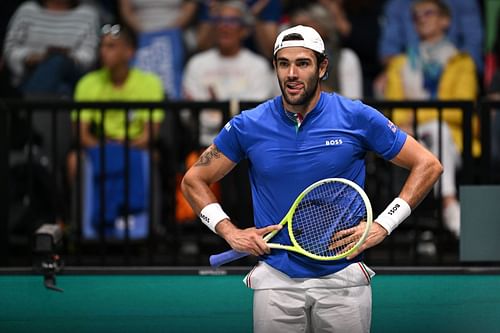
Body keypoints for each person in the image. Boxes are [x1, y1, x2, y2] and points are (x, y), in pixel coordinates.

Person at [181, 24, 442, 332]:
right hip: (275, 281)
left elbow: (428, 165)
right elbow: (193, 180)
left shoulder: (356, 117)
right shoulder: (248, 125)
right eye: (283, 63)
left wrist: (383, 226)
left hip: (344, 279)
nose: (292, 73)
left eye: (303, 63)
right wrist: (229, 231)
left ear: (322, 68)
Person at [384, 0, 478, 238]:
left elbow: (460, 108)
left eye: (429, 13)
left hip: (455, 142)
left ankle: (442, 212)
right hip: (412, 140)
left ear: (445, 20)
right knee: (434, 131)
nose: (422, 19)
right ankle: (449, 205)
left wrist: (414, 118)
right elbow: (393, 110)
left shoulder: (462, 62)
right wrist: (410, 122)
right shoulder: (399, 64)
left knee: (438, 129)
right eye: (416, 16)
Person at [66, 23, 164, 234]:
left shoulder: (150, 83)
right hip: (98, 146)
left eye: (111, 46)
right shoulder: (87, 83)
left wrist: (123, 146)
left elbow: (150, 135)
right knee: (74, 160)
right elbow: (82, 135)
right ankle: (79, 228)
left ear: (129, 52)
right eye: (102, 46)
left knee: (153, 157)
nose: (103, 52)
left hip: (136, 147)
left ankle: (147, 229)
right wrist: (109, 147)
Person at [2, 0, 99, 97]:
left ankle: (31, 108)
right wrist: (30, 57)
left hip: (72, 75)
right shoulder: (27, 10)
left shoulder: (88, 14)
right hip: (28, 76)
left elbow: (89, 56)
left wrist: (65, 57)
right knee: (63, 89)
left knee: (57, 61)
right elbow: (10, 48)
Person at [289, 3, 363, 99]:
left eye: (305, 25)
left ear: (323, 27)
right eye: (293, 26)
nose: (297, 31)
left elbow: (353, 103)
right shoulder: (285, 60)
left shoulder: (345, 58)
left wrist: (314, 87)